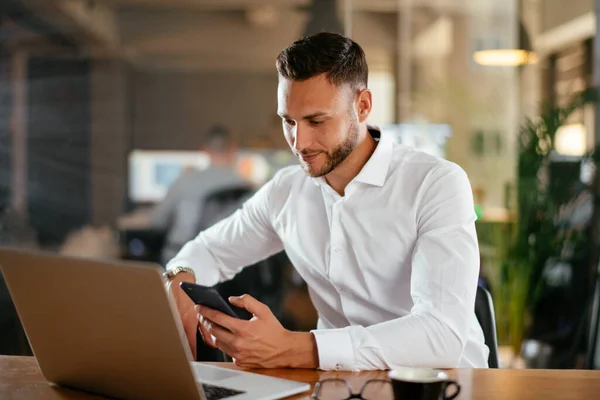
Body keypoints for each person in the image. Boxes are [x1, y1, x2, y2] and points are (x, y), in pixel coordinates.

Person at [164, 32, 489, 370]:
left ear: (362, 106)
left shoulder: (435, 184)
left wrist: (292, 348)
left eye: (316, 121)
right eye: (288, 121)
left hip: (443, 383)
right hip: (336, 384)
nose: (299, 142)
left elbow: (441, 335)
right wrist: (179, 278)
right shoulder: (286, 191)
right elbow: (211, 250)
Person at [149, 125, 249, 264]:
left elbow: (157, 222)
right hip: (223, 265)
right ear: (233, 150)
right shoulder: (246, 188)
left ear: (205, 150)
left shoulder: (185, 180)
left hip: (181, 261)